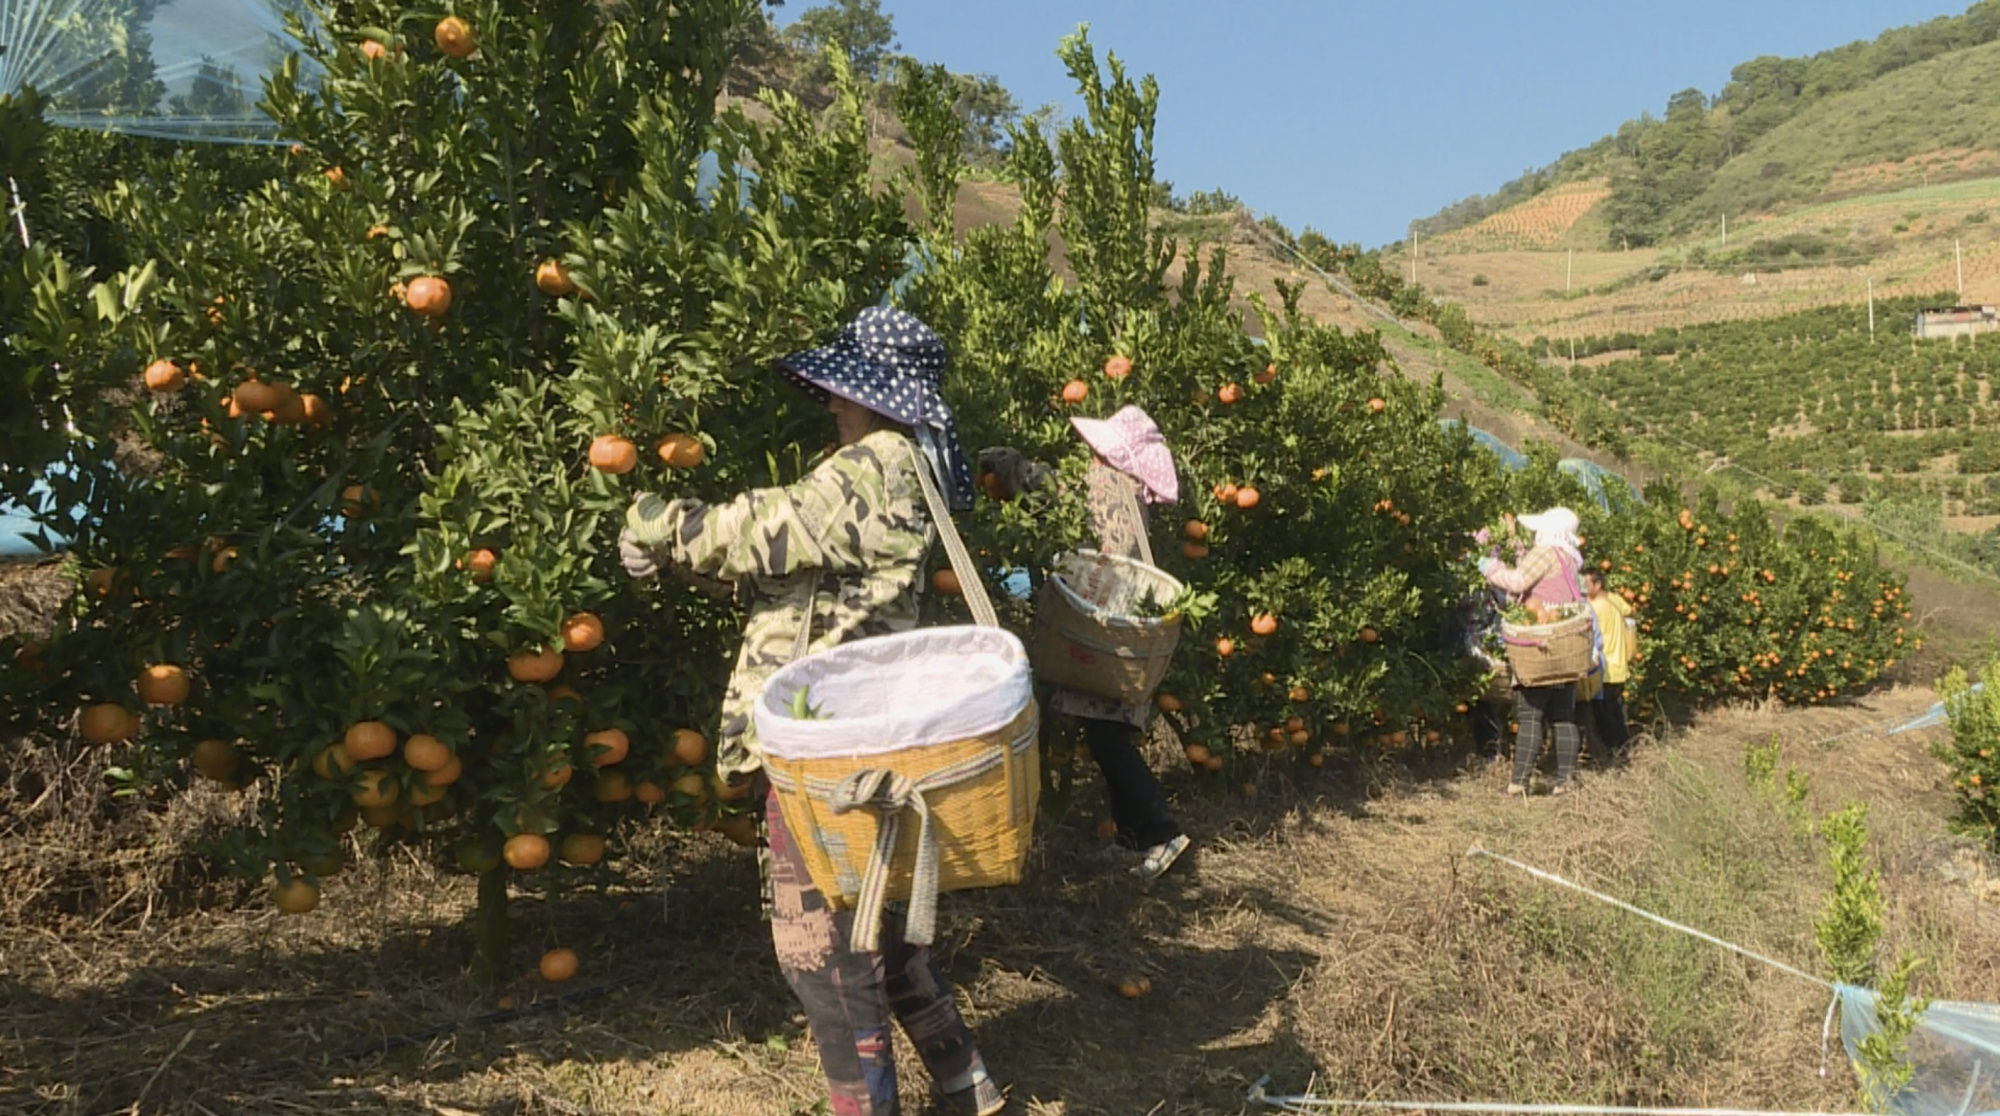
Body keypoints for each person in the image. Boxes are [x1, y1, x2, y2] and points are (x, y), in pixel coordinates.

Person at [618, 307, 1003, 1116]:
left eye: (844, 391)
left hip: (824, 751)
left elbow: (760, 529)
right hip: (860, 736)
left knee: (821, 955)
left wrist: (654, 519)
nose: (832, 405)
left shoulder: (878, 463)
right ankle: (967, 1083)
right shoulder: (899, 468)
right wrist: (680, 565)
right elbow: (791, 578)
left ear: (880, 398)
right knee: (885, 938)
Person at [982, 405, 1191, 880]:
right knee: (1106, 736)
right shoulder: (1131, 493)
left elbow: (1062, 499)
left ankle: (1162, 832)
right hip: (1114, 634)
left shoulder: (1109, 487)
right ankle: (1133, 836)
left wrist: (1016, 470)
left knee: (1110, 741)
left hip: (1104, 638)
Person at [1479, 506, 1590, 798]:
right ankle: (1566, 780)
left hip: (1540, 647)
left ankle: (1519, 783)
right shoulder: (1569, 557)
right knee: (1563, 716)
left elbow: (1518, 581)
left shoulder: (1547, 552)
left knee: (1529, 715)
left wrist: (1490, 568)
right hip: (1565, 647)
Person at [1581, 569, 1636, 762]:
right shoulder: (1615, 599)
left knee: (1605, 717)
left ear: (1597, 585)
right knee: (1617, 712)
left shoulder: (1595, 607)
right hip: (1620, 666)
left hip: (1605, 670)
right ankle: (1623, 750)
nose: (1582, 588)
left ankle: (1616, 755)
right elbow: (1629, 611)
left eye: (1586, 584)